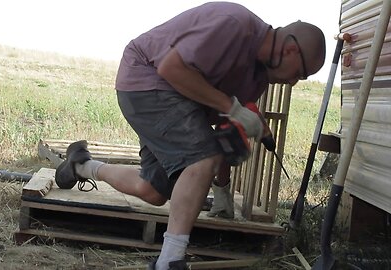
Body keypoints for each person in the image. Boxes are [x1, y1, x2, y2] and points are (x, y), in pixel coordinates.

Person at [56, 2, 326, 269]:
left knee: (153, 191)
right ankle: (170, 261)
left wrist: (222, 189)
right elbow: (171, 68)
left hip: (179, 103)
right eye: (300, 75)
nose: (293, 82)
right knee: (201, 159)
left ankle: (82, 165)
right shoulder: (234, 24)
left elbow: (220, 135)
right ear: (290, 50)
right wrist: (233, 108)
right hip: (146, 80)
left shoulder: (257, 79)